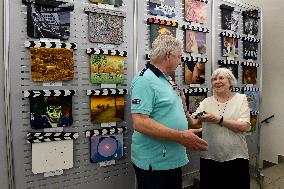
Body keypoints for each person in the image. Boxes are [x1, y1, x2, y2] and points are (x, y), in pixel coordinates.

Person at [130, 35, 208, 189]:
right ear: (168, 55)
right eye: (179, 57)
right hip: (156, 162)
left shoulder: (166, 79)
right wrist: (181, 136)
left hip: (171, 158)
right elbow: (140, 122)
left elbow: (171, 111)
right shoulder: (144, 80)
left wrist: (194, 118)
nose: (180, 62)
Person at [187, 68, 251, 189]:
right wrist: (184, 107)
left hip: (236, 156)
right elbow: (193, 121)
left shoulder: (240, 99)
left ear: (230, 82)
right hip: (210, 157)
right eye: (214, 79)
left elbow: (245, 126)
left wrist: (218, 119)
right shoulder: (206, 102)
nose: (217, 81)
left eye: (221, 78)